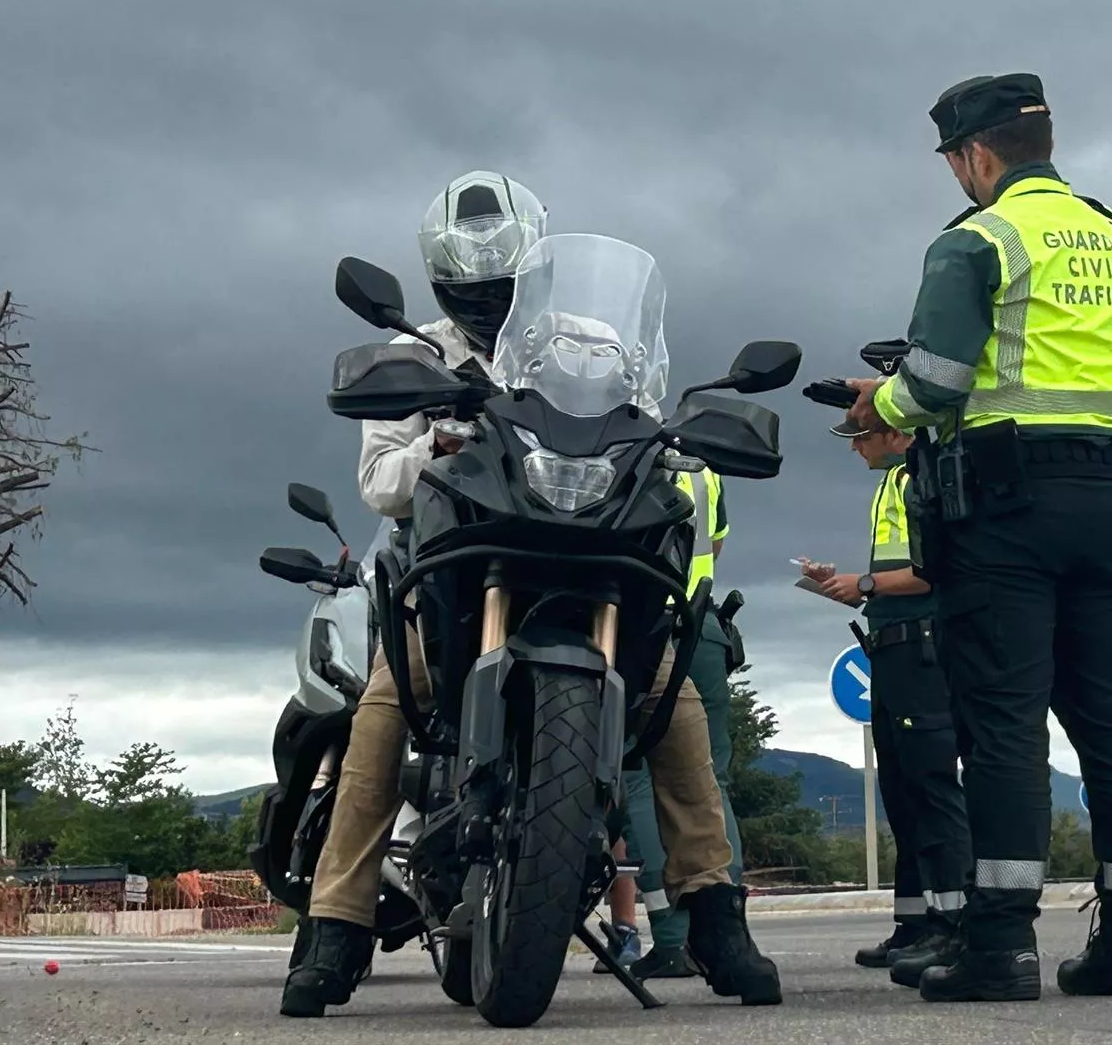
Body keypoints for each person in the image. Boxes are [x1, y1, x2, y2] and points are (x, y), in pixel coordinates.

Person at [282, 171, 781, 1017]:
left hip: (584, 551)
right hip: (458, 566)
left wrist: (676, 443)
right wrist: (438, 441)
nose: (485, 303)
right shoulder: (419, 354)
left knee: (672, 702)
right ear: (440, 283)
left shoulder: (589, 340)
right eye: (467, 290)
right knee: (382, 707)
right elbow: (377, 484)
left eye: (501, 287)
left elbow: (644, 418)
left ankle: (714, 915)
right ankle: (337, 924)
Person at [843, 73, 1112, 1003]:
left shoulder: (978, 239)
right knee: (1111, 717)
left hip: (1007, 504)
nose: (956, 177)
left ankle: (999, 946)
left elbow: (937, 378)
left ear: (977, 155)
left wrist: (884, 401)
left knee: (1004, 724)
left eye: (953, 161)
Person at [806, 418, 971, 978]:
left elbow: (933, 572)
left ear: (900, 435)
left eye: (862, 435)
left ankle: (953, 925)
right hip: (893, 649)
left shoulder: (917, 481)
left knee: (930, 787)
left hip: (920, 649)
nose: (855, 446)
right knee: (902, 793)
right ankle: (914, 924)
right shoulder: (893, 482)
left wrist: (867, 585)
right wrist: (848, 585)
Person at [597, 464, 743, 981]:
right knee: (706, 779)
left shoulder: (629, 449)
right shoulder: (708, 468)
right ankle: (724, 927)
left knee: (636, 776)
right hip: (702, 625)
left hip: (645, 620)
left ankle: (674, 937)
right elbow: (715, 544)